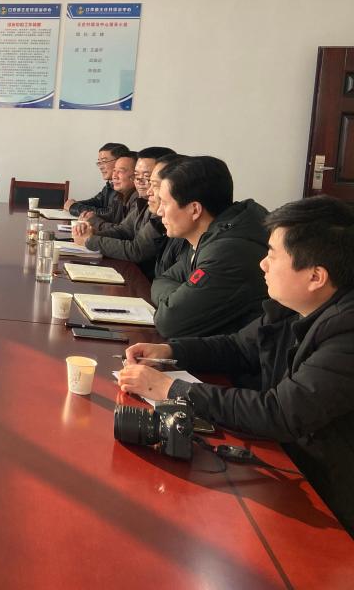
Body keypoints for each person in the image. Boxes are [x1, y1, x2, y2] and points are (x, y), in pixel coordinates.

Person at [118, 195, 354, 534]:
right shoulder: (294, 306)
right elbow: (238, 347)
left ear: (316, 276)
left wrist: (172, 389)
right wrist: (169, 350)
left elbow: (280, 413)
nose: (263, 265)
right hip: (285, 469)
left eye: (273, 255)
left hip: (327, 505)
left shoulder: (346, 333)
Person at [150, 156, 268, 339]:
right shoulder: (206, 236)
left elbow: (169, 321)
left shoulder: (227, 252)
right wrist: (178, 297)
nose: (159, 212)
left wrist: (176, 299)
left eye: (165, 203)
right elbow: (162, 279)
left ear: (195, 210)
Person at [72, 147, 174, 279]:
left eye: (147, 177)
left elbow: (137, 250)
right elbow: (124, 230)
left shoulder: (161, 211)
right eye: (137, 175)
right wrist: (91, 234)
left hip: (143, 277)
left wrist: (90, 240)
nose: (139, 181)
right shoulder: (142, 200)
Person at [65, 142, 130, 225]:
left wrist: (73, 207)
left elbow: (109, 214)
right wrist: (74, 204)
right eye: (99, 163)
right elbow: (97, 201)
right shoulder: (110, 184)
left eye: (104, 161)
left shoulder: (124, 187)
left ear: (120, 161)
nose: (101, 167)